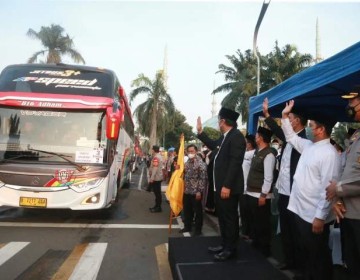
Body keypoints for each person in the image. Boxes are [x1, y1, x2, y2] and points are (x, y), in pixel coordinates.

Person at [281, 100, 340, 280]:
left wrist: (320, 217)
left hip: (314, 215)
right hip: (300, 210)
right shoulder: (309, 146)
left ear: (321, 129)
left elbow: (328, 191)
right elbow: (291, 137)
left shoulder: (329, 153)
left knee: (318, 255)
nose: (308, 129)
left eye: (311, 126)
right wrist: (284, 116)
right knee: (306, 251)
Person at [262, 97, 308, 271]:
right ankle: (289, 260)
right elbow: (275, 128)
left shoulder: (305, 141)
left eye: (290, 118)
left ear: (297, 121)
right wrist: (267, 114)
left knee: (297, 232)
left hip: (295, 193)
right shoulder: (289, 138)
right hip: (283, 191)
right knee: (286, 230)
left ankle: (300, 266)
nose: (287, 121)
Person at [196, 107, 246, 261]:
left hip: (227, 188)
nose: (218, 123)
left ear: (223, 121)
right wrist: (200, 132)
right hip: (220, 187)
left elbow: (235, 163)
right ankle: (224, 244)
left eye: (219, 120)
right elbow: (212, 144)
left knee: (230, 219)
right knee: (223, 218)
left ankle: (231, 249)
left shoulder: (236, 137)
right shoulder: (224, 137)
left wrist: (227, 186)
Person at [326, 88, 360, 280]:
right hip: (348, 213)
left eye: (352, 103)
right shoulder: (355, 137)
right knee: (352, 264)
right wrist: (337, 198)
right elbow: (345, 169)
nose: (349, 108)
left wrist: (337, 189)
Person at [246, 127, 276, 258]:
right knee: (255, 220)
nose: (255, 138)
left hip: (261, 195)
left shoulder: (268, 154)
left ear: (262, 138)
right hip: (252, 193)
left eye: (257, 136)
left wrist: (264, 195)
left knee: (263, 222)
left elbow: (268, 177)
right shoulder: (258, 152)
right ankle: (257, 242)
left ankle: (265, 247)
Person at [179, 144, 208, 236]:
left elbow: (203, 178)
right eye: (189, 151)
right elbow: (183, 174)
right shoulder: (187, 163)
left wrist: (199, 191)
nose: (190, 153)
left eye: (192, 151)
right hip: (187, 190)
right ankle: (187, 226)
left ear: (196, 151)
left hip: (196, 192)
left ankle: (198, 230)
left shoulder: (200, 164)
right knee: (187, 210)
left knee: (198, 212)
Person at [239, 134, 256, 240]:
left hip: (248, 188)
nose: (245, 144)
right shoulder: (245, 153)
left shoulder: (253, 153)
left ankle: (248, 232)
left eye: (247, 142)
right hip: (242, 186)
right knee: (243, 211)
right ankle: (245, 231)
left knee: (248, 212)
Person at [148, 145, 164, 213]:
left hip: (156, 178)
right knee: (157, 193)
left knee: (157, 193)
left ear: (154, 150)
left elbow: (155, 168)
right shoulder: (159, 156)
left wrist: (152, 178)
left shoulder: (156, 157)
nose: (151, 151)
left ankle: (158, 207)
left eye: (152, 149)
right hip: (158, 177)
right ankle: (157, 206)